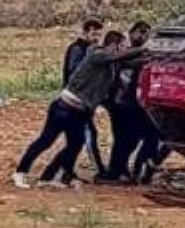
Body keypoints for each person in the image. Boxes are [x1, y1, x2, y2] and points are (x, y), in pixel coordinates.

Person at [15, 29, 127, 190]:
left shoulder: (111, 64)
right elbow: (122, 57)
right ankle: (20, 172)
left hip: (80, 112)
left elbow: (128, 60)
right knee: (45, 141)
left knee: (75, 144)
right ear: (114, 46)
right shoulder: (97, 54)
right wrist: (146, 49)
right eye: (123, 45)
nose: (125, 49)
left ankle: (48, 177)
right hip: (64, 107)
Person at [103, 21, 159, 183]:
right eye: (140, 32)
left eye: (146, 33)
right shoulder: (124, 53)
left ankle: (129, 170)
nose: (143, 36)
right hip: (120, 105)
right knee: (123, 140)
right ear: (131, 32)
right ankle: (116, 172)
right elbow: (125, 63)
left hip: (133, 105)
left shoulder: (136, 54)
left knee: (139, 139)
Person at [63, 18, 109, 178]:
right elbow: (74, 71)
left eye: (99, 34)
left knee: (77, 138)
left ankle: (67, 171)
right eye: (93, 34)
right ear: (85, 33)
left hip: (78, 100)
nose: (96, 38)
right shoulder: (78, 49)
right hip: (76, 101)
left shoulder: (90, 50)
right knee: (88, 135)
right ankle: (99, 171)